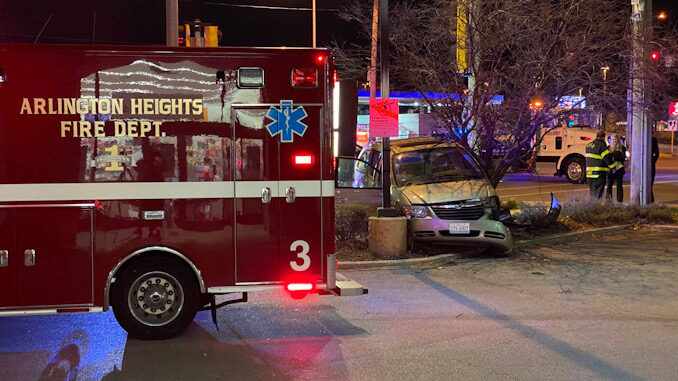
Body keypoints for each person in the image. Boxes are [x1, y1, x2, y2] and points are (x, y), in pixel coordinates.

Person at [585, 130, 615, 199]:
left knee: (592, 193)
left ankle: (590, 207)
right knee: (597, 195)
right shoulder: (602, 146)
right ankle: (595, 208)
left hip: (589, 174)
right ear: (603, 137)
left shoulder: (589, 145)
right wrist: (613, 168)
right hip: (599, 174)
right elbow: (607, 159)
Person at [606, 134, 626, 203]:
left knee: (619, 186)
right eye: (612, 139)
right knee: (609, 186)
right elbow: (607, 158)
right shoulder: (608, 148)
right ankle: (609, 202)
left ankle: (619, 202)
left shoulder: (622, 147)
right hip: (610, 169)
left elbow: (623, 158)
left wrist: (614, 156)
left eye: (615, 139)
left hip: (619, 169)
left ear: (618, 140)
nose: (614, 141)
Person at [651, 136, 659, 202]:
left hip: (651, 165)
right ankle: (651, 200)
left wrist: (652, 161)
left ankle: (651, 201)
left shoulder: (653, 140)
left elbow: (657, 153)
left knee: (650, 184)